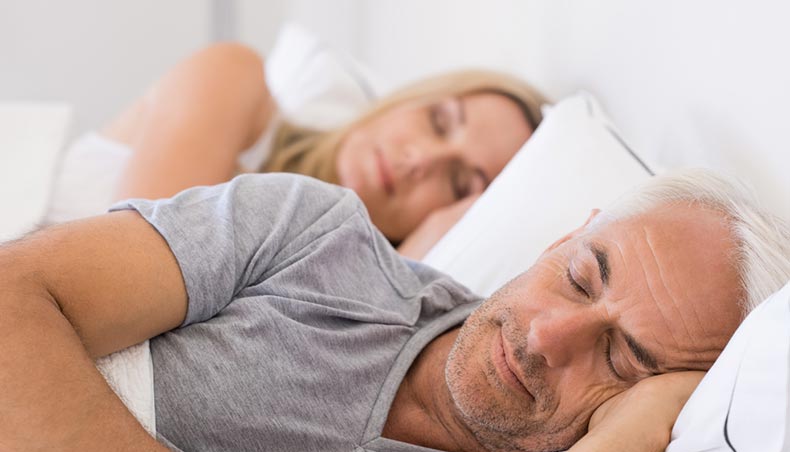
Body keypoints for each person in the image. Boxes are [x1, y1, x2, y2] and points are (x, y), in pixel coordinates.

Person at [1, 168, 787, 452]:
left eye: (623, 357)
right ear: (563, 236)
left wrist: (640, 431)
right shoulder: (310, 236)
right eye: (580, 277)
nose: (550, 337)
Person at [44, 42, 546, 258]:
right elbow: (128, 276)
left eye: (459, 183)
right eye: (437, 122)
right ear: (408, 100)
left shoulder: (343, 297)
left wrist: (411, 269)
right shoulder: (234, 80)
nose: (420, 160)